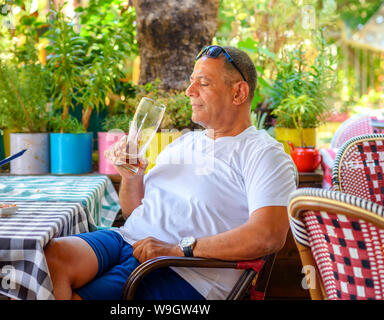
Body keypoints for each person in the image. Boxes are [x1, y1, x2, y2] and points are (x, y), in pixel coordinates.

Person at [44, 45, 296, 300]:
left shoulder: (264, 154)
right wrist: (131, 176)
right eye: (191, 82)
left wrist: (178, 249)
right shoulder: (184, 142)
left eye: (204, 83)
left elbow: (269, 235)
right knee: (50, 259)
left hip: (184, 271)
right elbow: (135, 210)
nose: (189, 91)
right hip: (127, 241)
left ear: (239, 92)